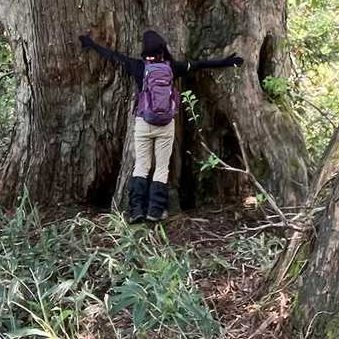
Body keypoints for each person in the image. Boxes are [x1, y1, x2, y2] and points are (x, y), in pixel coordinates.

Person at [80, 28, 244, 224]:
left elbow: (113, 56)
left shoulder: (138, 66)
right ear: (162, 49)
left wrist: (91, 44)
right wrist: (227, 61)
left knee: (141, 166)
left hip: (143, 123)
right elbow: (199, 65)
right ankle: (155, 211)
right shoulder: (172, 67)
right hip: (165, 125)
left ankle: (136, 211)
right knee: (161, 168)